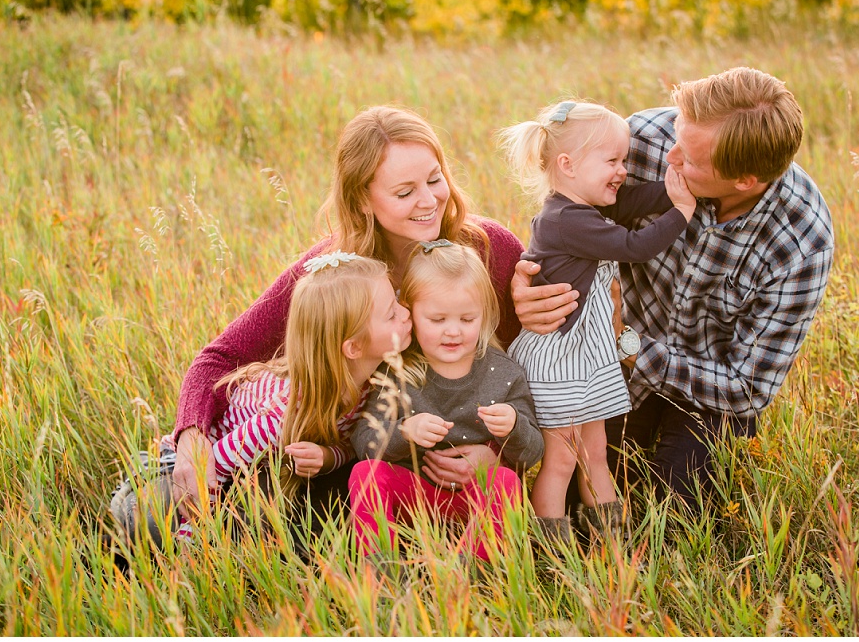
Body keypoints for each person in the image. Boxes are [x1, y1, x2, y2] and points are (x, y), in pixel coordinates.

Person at [164, 106, 525, 533]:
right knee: (279, 512)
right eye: (405, 191)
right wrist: (191, 438)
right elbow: (219, 358)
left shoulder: (488, 249)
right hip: (365, 465)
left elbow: (530, 371)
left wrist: (498, 450)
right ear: (362, 200)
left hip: (465, 475)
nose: (429, 201)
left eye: (434, 179)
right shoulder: (334, 273)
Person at [511, 67, 834, 512]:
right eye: (678, 134)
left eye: (691, 158)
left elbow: (746, 389)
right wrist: (527, 286)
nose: (671, 155)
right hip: (609, 368)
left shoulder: (801, 240)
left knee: (675, 508)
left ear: (744, 181)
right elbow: (563, 219)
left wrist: (625, 343)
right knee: (578, 477)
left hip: (706, 392)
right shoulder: (640, 140)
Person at [110, 253, 412, 545]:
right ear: (354, 347)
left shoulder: (365, 386)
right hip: (200, 463)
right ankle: (146, 492)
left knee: (273, 518)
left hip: (256, 470)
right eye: (392, 313)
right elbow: (211, 469)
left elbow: (350, 441)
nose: (406, 312)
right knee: (151, 526)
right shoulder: (284, 412)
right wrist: (194, 537)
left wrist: (328, 456)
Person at [498, 100, 695, 546]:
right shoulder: (565, 221)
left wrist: (683, 187)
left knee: (596, 452)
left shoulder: (584, 206)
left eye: (624, 160)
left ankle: (612, 544)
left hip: (586, 356)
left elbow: (634, 200)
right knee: (563, 458)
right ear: (567, 165)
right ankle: (553, 547)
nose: (623, 170)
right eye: (612, 161)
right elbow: (637, 244)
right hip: (560, 359)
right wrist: (681, 211)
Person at [348, 241, 544, 567]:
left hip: (478, 497)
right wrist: (404, 432)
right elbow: (362, 442)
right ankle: (381, 572)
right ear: (410, 311)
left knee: (507, 483)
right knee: (365, 473)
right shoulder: (397, 372)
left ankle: (469, 572)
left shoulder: (503, 372)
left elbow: (534, 451)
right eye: (437, 319)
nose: (453, 332)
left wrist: (513, 427)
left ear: (484, 313)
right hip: (417, 495)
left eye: (467, 319)